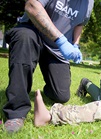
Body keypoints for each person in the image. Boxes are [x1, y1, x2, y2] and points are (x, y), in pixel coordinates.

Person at [3, 0, 94, 133]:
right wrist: (61, 40)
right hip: (32, 32)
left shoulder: (89, 3)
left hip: (55, 49)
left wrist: (75, 45)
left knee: (61, 96)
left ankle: (47, 89)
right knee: (24, 38)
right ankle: (16, 112)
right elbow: (31, 5)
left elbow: (80, 23)